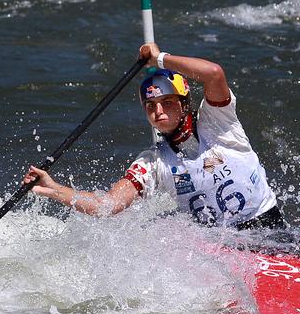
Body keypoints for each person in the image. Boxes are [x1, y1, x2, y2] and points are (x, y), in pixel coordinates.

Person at [22, 43, 285, 230]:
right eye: (151, 106)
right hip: (225, 249)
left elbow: (214, 73)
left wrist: (159, 59)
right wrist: (52, 189)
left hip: (270, 228)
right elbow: (108, 205)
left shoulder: (218, 122)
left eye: (167, 102)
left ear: (184, 104)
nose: (158, 111)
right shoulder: (153, 163)